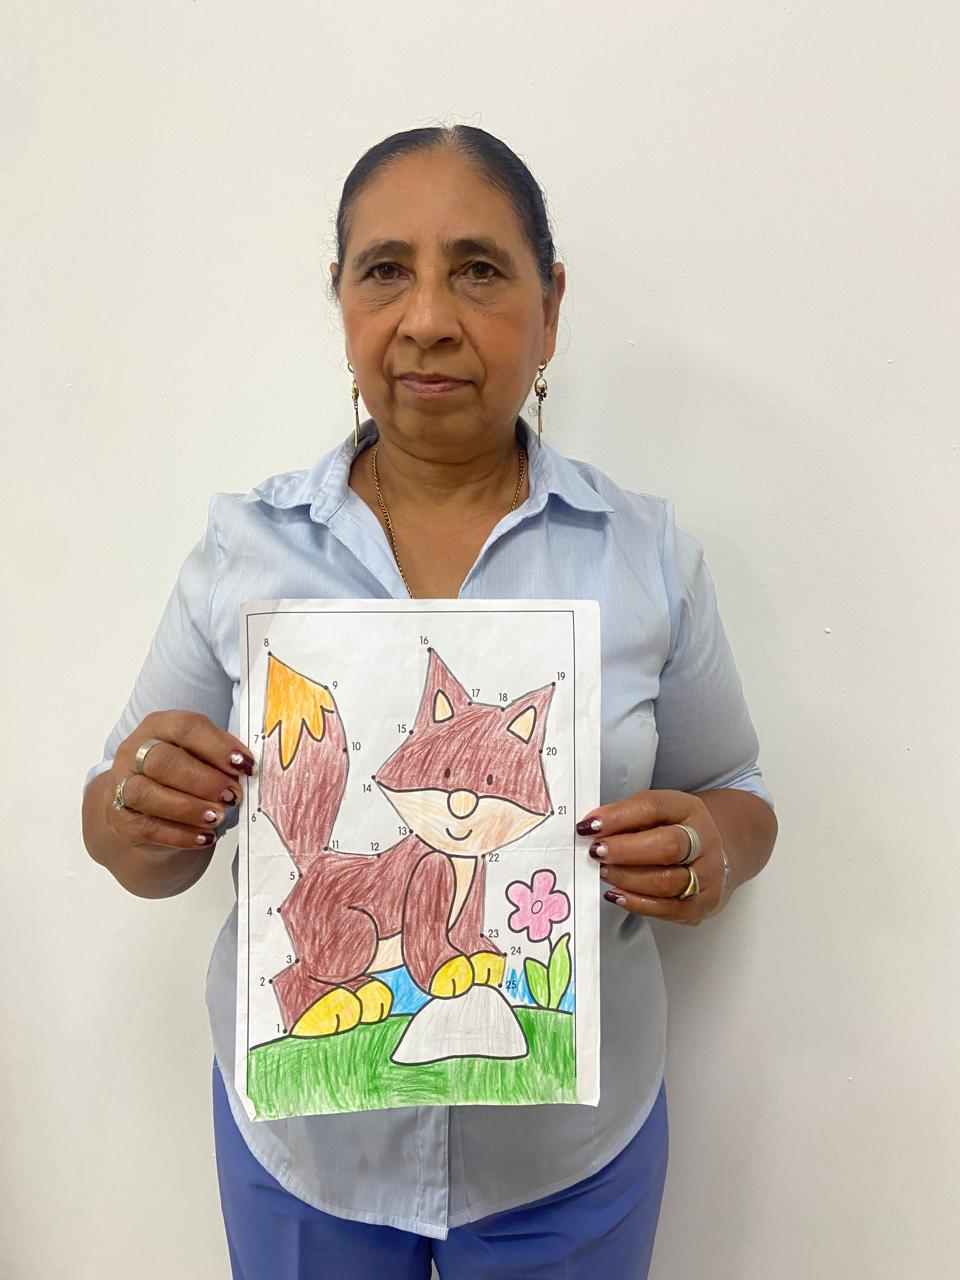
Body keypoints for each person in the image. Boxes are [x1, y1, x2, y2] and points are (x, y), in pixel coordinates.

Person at [81, 126, 777, 1280]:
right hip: (303, 1152)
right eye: (385, 270)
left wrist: (711, 847)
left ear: (551, 306)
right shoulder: (243, 550)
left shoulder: (645, 555)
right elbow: (126, 832)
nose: (428, 318)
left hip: (572, 1158)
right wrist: (141, 811)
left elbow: (737, 789)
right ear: (342, 298)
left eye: (480, 269)